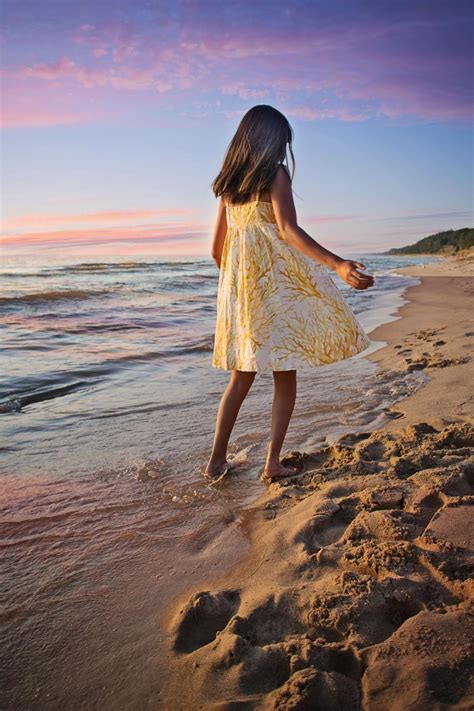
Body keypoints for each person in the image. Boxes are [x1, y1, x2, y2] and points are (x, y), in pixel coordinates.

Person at [205, 105, 374, 483]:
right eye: (282, 140)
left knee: (240, 379)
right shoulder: (275, 174)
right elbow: (287, 230)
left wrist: (239, 288)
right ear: (271, 141)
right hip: (275, 293)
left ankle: (216, 461)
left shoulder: (228, 188)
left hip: (243, 298)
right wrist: (337, 264)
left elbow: (218, 251)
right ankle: (272, 463)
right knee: (285, 374)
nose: (284, 149)